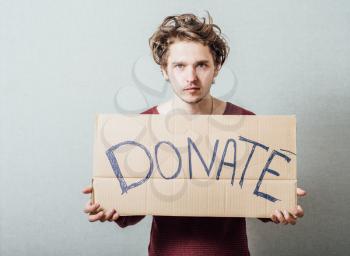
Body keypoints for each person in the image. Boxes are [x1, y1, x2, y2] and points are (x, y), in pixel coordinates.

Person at [82, 12, 307, 255]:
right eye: (180, 66)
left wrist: (280, 204)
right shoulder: (145, 126)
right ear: (165, 70)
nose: (191, 77)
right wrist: (111, 205)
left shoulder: (244, 122)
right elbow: (134, 207)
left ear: (217, 67)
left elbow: (256, 199)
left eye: (201, 65)